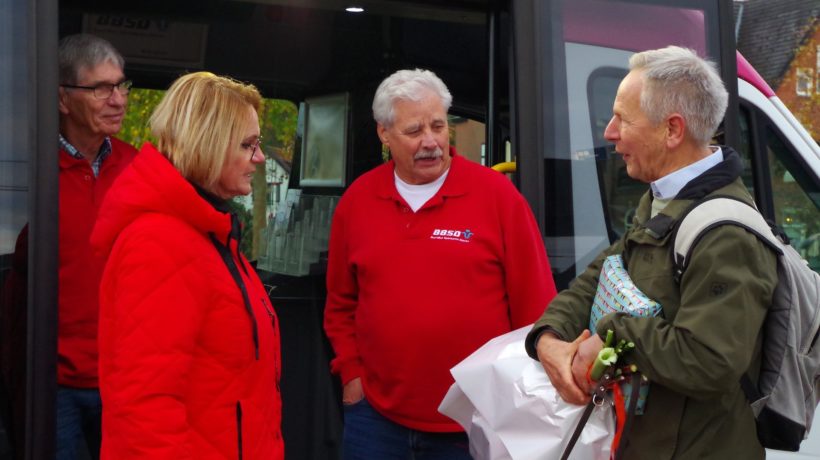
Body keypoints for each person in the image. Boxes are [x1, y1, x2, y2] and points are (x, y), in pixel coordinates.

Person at [525, 46, 778, 459]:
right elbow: (602, 276)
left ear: (672, 130)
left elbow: (709, 361)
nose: (608, 132)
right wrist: (548, 339)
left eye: (622, 118)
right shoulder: (662, 199)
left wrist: (614, 332)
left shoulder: (727, 234)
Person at [324, 68, 558, 459]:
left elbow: (537, 305)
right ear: (384, 133)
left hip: (478, 421)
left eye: (438, 125)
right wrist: (351, 375)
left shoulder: (497, 195)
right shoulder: (358, 202)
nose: (431, 142)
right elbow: (340, 303)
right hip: (377, 421)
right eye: (414, 131)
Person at [90, 72, 284, 459]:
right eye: (248, 145)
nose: (260, 158)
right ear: (208, 146)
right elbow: (144, 410)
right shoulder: (159, 243)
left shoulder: (209, 233)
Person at [54, 33, 138, 460]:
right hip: (54, 383)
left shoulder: (137, 167)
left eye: (121, 84)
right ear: (64, 100)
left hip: (124, 377)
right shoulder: (35, 169)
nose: (118, 99)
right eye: (101, 87)